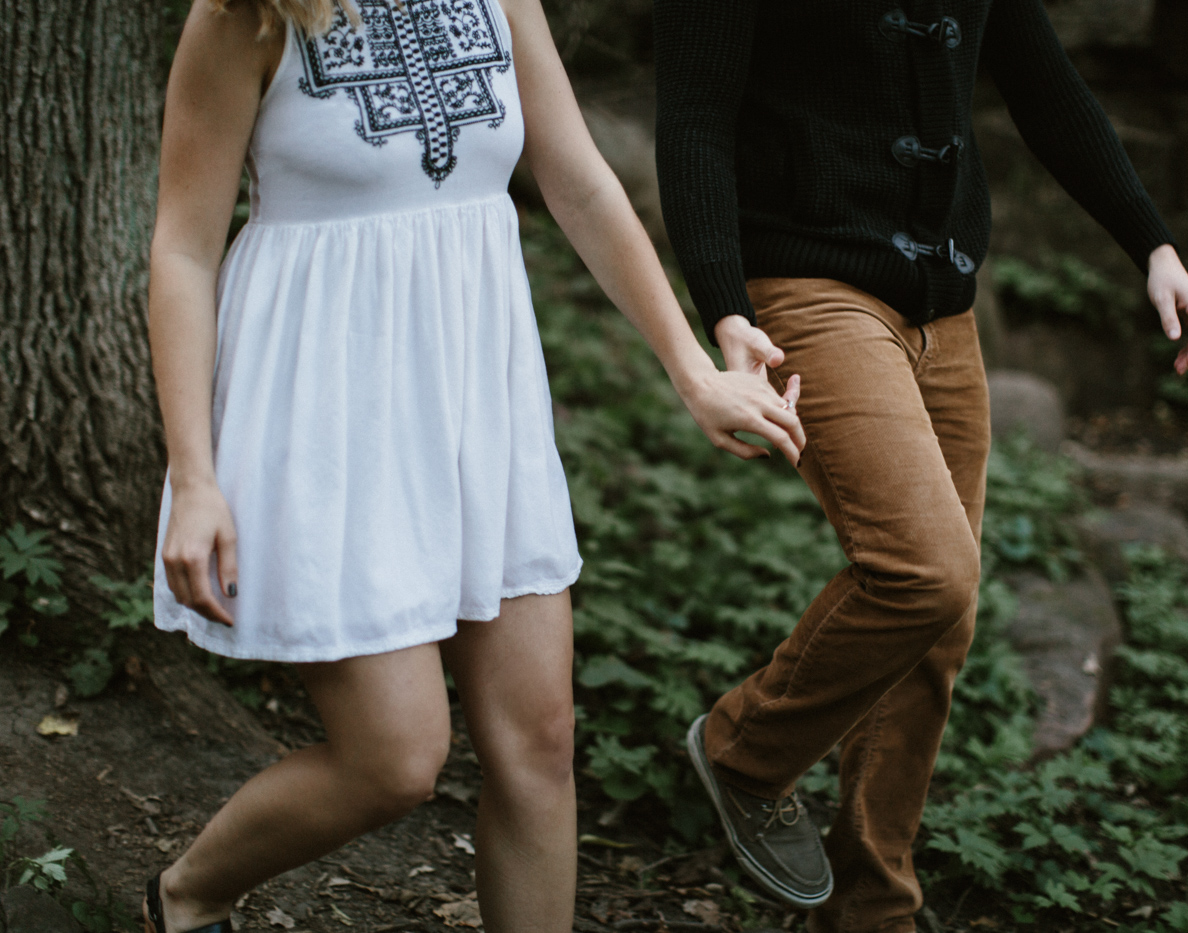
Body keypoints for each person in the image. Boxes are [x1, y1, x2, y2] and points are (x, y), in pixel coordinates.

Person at [144, 0, 805, 930]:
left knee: (539, 743)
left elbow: (574, 174)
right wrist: (196, 474)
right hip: (324, 409)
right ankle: (187, 893)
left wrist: (693, 372)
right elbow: (181, 249)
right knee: (395, 758)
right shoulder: (244, 15)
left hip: (475, 400)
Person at [653, 0, 1188, 928]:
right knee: (923, 571)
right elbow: (694, 122)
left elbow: (1044, 84)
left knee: (938, 625)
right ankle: (743, 749)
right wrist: (724, 311)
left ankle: (875, 907)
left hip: (941, 311)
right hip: (805, 285)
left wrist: (1150, 242)